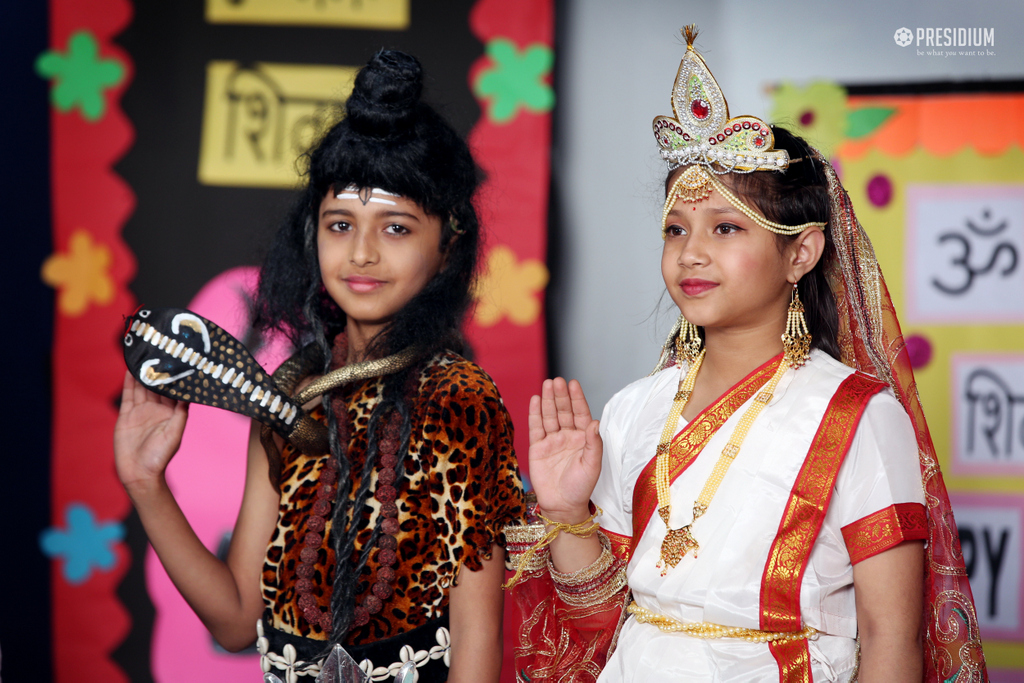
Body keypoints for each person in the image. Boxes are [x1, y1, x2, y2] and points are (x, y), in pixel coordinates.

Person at [505, 27, 986, 682]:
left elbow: (890, 642)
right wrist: (566, 513)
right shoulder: (632, 411)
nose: (691, 252)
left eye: (726, 227)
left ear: (801, 252)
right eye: (676, 229)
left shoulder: (859, 417)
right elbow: (597, 625)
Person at [115, 49, 525, 683]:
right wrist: (146, 484)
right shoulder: (289, 402)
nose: (361, 252)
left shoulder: (460, 401)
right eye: (341, 223)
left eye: (395, 228)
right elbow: (233, 623)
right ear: (313, 235)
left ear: (447, 249)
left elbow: (479, 639)